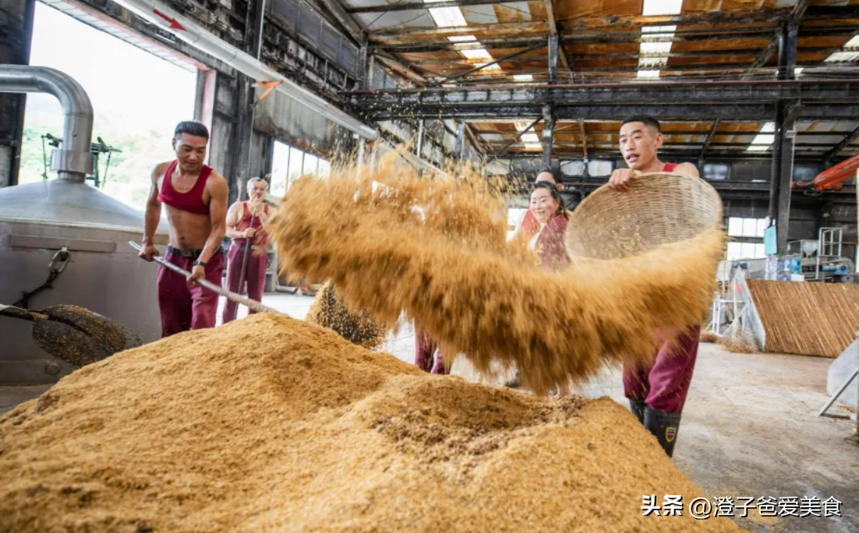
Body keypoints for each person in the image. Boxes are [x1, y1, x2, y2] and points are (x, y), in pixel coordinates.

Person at [608, 115, 700, 458]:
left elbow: (690, 183)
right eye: (621, 141)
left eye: (636, 137)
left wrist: (644, 182)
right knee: (635, 377)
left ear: (657, 140)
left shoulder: (679, 171)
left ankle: (657, 465)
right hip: (638, 295)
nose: (628, 146)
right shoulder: (621, 185)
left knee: (666, 378)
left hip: (678, 292)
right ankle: (640, 459)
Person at [138, 121, 229, 338]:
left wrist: (201, 262)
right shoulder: (160, 172)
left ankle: (200, 370)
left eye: (200, 151)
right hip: (173, 259)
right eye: (186, 149)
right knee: (171, 324)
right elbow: (153, 205)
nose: (194, 157)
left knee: (201, 324)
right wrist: (147, 241)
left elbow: (219, 228)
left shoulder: (215, 182)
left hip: (206, 262)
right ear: (174, 144)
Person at [222, 178, 271, 323]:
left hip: (258, 252)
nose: (258, 192)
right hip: (239, 250)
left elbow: (272, 232)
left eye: (261, 189)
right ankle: (227, 326)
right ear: (248, 190)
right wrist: (242, 234)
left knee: (255, 295)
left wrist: (261, 214)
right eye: (255, 188)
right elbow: (226, 229)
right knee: (232, 292)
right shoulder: (238, 207)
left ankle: (252, 328)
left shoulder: (271, 210)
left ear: (265, 192)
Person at [513, 168, 557, 244]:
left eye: (546, 184)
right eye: (538, 184)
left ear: (558, 187)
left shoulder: (568, 220)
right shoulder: (525, 215)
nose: (540, 188)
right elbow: (514, 241)